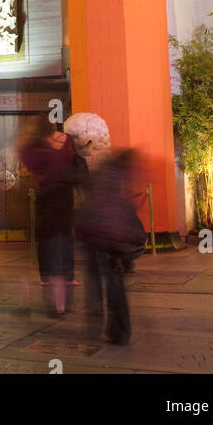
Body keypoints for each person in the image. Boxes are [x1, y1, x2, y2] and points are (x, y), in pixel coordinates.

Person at [76, 148, 145, 346]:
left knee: (96, 282)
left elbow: (91, 199)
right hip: (112, 238)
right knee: (114, 284)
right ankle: (120, 332)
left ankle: (98, 327)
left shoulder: (103, 172)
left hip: (97, 235)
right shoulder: (117, 177)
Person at [19, 117, 82, 317]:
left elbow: (31, 165)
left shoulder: (34, 147)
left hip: (47, 196)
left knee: (48, 238)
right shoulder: (66, 142)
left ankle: (50, 278)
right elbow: (72, 163)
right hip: (65, 195)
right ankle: (66, 276)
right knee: (65, 234)